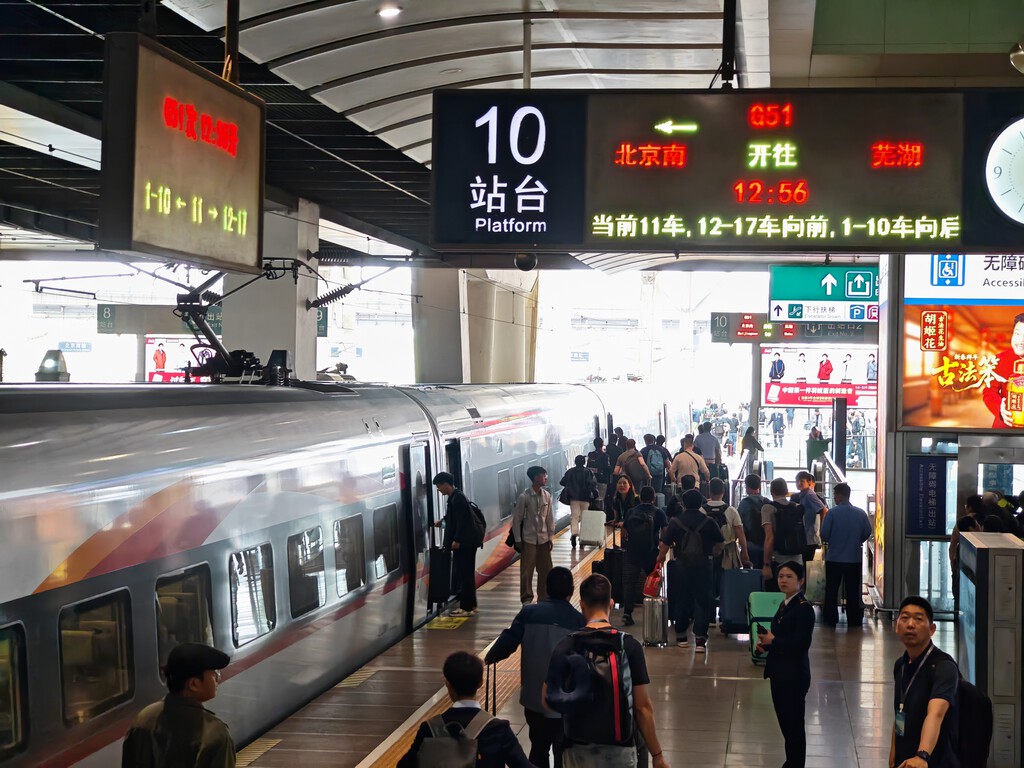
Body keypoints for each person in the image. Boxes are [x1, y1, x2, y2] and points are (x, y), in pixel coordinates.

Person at [544, 574, 668, 768]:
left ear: (582, 604)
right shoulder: (629, 646)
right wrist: (657, 755)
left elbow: (547, 699)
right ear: (611, 603)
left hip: (577, 751)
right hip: (621, 750)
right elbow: (642, 708)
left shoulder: (566, 645)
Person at [486, 567, 585, 768]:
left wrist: (489, 658)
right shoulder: (579, 621)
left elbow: (507, 643)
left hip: (533, 701)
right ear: (571, 592)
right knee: (563, 752)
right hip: (565, 704)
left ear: (546, 589)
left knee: (538, 748)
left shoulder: (528, 613)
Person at [398, 651, 533, 768]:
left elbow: (404, 765)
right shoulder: (498, 729)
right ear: (480, 682)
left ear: (447, 683)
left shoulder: (429, 729)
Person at [122, 642, 235, 768]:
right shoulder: (215, 734)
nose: (218, 679)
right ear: (194, 684)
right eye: (214, 674)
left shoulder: (143, 718)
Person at [756, 561, 815, 768]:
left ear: (801, 581)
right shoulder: (784, 604)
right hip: (779, 673)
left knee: (794, 727)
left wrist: (774, 641)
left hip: (794, 676)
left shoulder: (804, 609)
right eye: (781, 576)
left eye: (789, 576)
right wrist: (766, 644)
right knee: (786, 725)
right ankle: (791, 762)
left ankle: (795, 764)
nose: (783, 580)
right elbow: (781, 637)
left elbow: (801, 644)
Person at [890, 597, 960, 768]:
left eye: (919, 619)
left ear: (932, 629)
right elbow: (900, 712)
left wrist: (922, 755)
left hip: (933, 761)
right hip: (907, 761)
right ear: (896, 626)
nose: (910, 624)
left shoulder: (943, 667)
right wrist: (894, 755)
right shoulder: (901, 665)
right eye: (904, 618)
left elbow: (936, 714)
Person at [656, 489, 723, 651]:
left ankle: (681, 637)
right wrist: (711, 555)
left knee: (681, 599)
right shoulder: (709, 521)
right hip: (704, 565)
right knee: (702, 600)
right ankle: (700, 639)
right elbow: (720, 543)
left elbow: (664, 545)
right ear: (701, 503)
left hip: (681, 565)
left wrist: (659, 561)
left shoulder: (675, 522)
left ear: (683, 504)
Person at [820, 482, 872, 627]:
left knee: (832, 590)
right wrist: (857, 541)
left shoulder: (832, 513)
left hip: (834, 558)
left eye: (835, 495)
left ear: (839, 495)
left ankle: (830, 618)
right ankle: (854, 619)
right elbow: (867, 531)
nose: (834, 498)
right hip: (854, 559)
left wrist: (833, 541)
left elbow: (824, 534)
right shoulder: (860, 513)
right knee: (853, 591)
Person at [620, 486, 668, 626]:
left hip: (632, 553)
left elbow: (624, 531)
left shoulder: (631, 511)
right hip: (651, 552)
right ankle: (654, 614)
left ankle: (627, 614)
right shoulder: (658, 512)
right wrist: (663, 549)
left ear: (640, 498)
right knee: (653, 582)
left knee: (630, 583)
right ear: (654, 498)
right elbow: (665, 532)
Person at [434, 472, 480, 617]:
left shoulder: (457, 498)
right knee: (466, 574)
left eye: (439, 486)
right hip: (467, 544)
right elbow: (455, 516)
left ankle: (466, 608)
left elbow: (462, 521)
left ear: (446, 484)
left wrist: (457, 540)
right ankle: (470, 605)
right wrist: (443, 521)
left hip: (463, 544)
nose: (438, 489)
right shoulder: (456, 497)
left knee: (464, 575)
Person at [513, 466, 555, 606]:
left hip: (543, 539)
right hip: (528, 539)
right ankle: (526, 598)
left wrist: (550, 538)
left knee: (546, 570)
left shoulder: (547, 496)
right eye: (544, 475)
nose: (546, 478)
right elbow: (517, 519)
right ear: (536, 478)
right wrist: (518, 540)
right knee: (527, 571)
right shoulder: (524, 497)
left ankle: (543, 598)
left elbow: (549, 518)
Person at [982, 312, 1024, 428]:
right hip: (1006, 424)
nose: (1020, 341)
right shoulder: (999, 360)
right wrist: (1000, 407)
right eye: (1017, 334)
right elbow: (989, 392)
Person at [761, 478, 805, 587]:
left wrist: (766, 564)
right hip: (798, 559)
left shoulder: (768, 508)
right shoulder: (798, 507)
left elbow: (769, 537)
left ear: (771, 492)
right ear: (786, 491)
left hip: (779, 561)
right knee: (794, 594)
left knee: (775, 596)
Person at [561, 455, 597, 549]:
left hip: (573, 497)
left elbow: (562, 482)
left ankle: (574, 533)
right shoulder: (588, 471)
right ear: (584, 462)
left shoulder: (570, 471)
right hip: (585, 497)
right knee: (584, 516)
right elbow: (592, 484)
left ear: (575, 462)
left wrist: (570, 484)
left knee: (574, 516)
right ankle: (583, 537)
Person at [737, 473, 770, 568]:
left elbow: (739, 525)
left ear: (746, 487)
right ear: (759, 486)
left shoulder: (744, 503)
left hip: (750, 546)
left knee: (750, 574)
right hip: (767, 545)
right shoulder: (767, 502)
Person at [794, 471, 827, 562]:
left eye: (802, 481)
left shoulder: (809, 495)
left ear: (809, 482)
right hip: (807, 536)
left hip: (811, 538)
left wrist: (821, 529)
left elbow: (823, 510)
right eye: (797, 481)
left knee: (809, 565)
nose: (799, 483)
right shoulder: (803, 495)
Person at [586, 437, 612, 509]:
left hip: (592, 481)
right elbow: (608, 469)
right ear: (602, 444)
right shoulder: (605, 456)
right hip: (602, 480)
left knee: (593, 497)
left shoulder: (590, 454)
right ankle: (600, 514)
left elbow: (588, 466)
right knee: (600, 499)